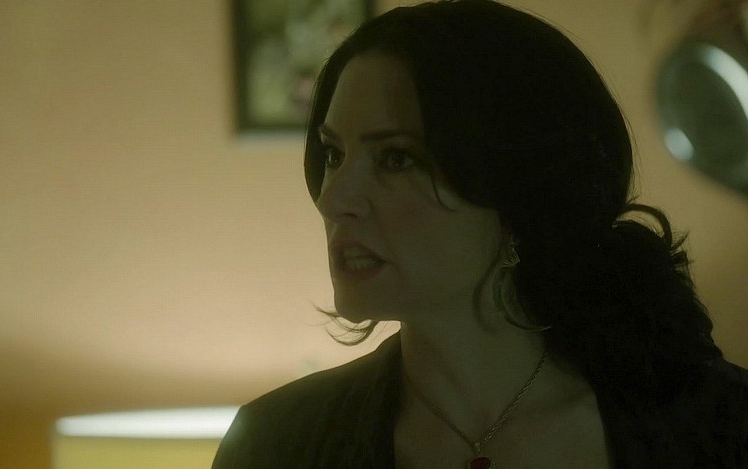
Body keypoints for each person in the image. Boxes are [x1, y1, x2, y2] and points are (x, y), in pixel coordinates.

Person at [212, 1, 748, 467]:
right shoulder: (278, 443)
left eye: (396, 158)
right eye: (333, 155)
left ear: (518, 195)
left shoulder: (715, 429)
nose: (334, 200)